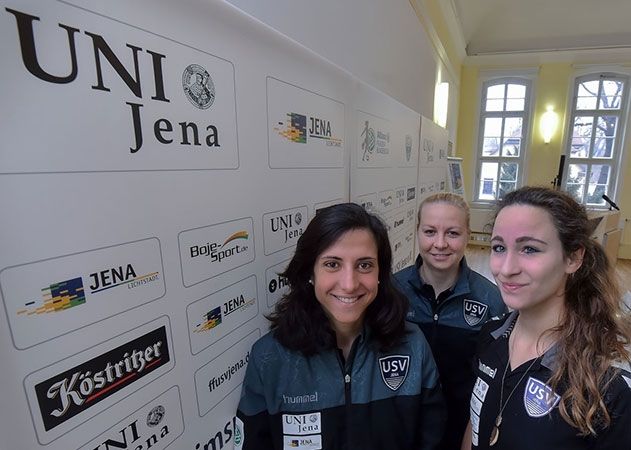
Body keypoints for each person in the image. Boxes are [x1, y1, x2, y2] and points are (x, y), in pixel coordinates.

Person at [236, 203, 446, 450]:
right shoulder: (269, 358)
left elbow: (432, 439)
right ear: (310, 272)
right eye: (332, 264)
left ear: (381, 272)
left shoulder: (412, 344)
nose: (349, 284)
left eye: (364, 265)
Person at [462, 186, 631, 449]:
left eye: (529, 249)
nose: (506, 269)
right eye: (498, 247)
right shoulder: (490, 337)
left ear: (573, 257)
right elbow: (475, 425)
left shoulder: (607, 382)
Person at [394, 192, 506, 449]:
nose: (440, 243)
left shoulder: (490, 299)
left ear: (468, 234)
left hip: (461, 425)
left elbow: (493, 378)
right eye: (430, 231)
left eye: (453, 233)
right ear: (418, 232)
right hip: (403, 423)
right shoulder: (393, 291)